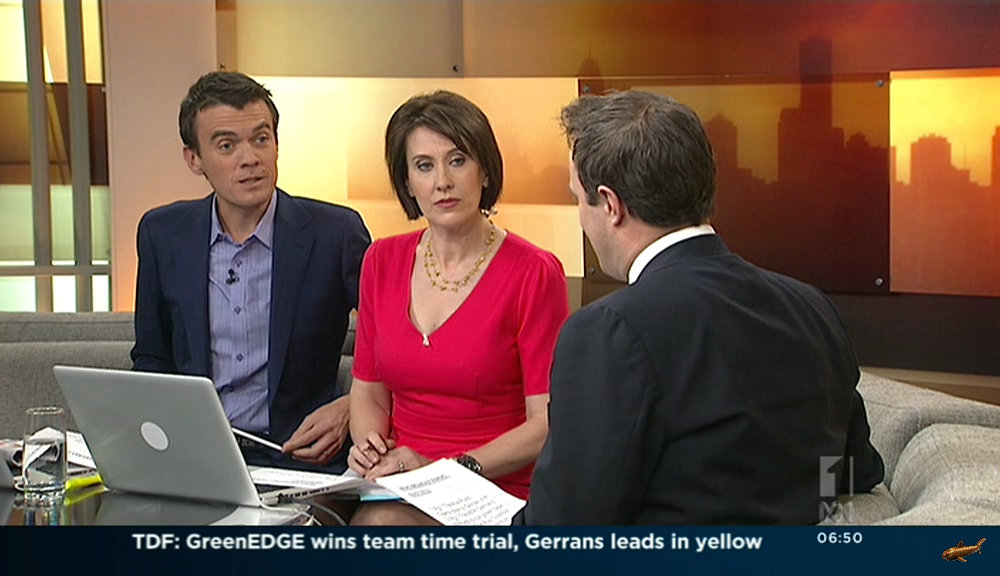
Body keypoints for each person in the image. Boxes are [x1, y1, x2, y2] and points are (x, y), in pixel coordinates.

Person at [515, 90, 884, 525]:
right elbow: (858, 470)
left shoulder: (608, 330)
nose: (581, 216)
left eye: (578, 198)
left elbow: (562, 531)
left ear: (611, 205)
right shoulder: (811, 306)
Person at [346, 90, 569, 525]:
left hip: (492, 486)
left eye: (458, 160)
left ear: (484, 171)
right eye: (424, 166)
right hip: (401, 482)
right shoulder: (381, 261)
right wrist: (371, 446)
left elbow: (546, 423)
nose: (442, 181)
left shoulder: (535, 272)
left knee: (381, 528)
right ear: (407, 182)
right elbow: (369, 390)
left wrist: (447, 470)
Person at [131, 71, 371, 472]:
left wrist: (351, 406)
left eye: (261, 139)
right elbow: (151, 357)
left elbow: (400, 350)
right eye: (227, 145)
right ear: (194, 159)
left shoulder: (336, 234)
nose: (250, 159)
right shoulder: (162, 233)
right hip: (194, 458)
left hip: (301, 459)